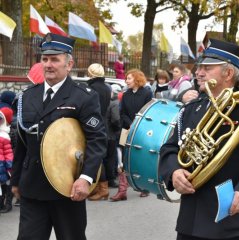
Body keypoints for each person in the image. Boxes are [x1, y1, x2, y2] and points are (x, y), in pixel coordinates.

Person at [159, 38, 239, 240]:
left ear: (228, 73)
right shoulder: (192, 107)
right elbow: (169, 148)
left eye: (207, 67)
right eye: (199, 67)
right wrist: (174, 172)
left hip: (233, 218)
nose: (199, 72)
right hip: (192, 220)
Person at [11, 33, 107, 239]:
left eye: (55, 59)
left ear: (69, 64)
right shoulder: (27, 97)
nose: (48, 64)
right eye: (44, 59)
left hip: (68, 188)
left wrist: (86, 178)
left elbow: (97, 140)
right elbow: (21, 141)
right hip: (33, 189)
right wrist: (16, 180)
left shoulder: (84, 97)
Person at [110, 69, 152, 201]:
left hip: (142, 129)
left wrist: (137, 124)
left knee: (141, 157)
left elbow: (148, 111)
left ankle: (144, 187)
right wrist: (130, 123)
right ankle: (122, 190)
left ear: (137, 79)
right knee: (123, 158)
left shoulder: (147, 93)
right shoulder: (125, 94)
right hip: (126, 129)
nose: (126, 81)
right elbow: (122, 113)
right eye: (127, 78)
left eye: (129, 78)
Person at [86, 63, 111, 201]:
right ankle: (98, 187)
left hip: (92, 124)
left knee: (94, 157)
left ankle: (101, 189)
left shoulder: (91, 88)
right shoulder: (106, 88)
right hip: (103, 123)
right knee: (99, 156)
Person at [0, 107, 14, 214]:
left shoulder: (5, 136)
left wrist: (9, 166)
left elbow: (9, 152)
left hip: (4, 165)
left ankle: (7, 203)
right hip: (3, 164)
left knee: (6, 185)